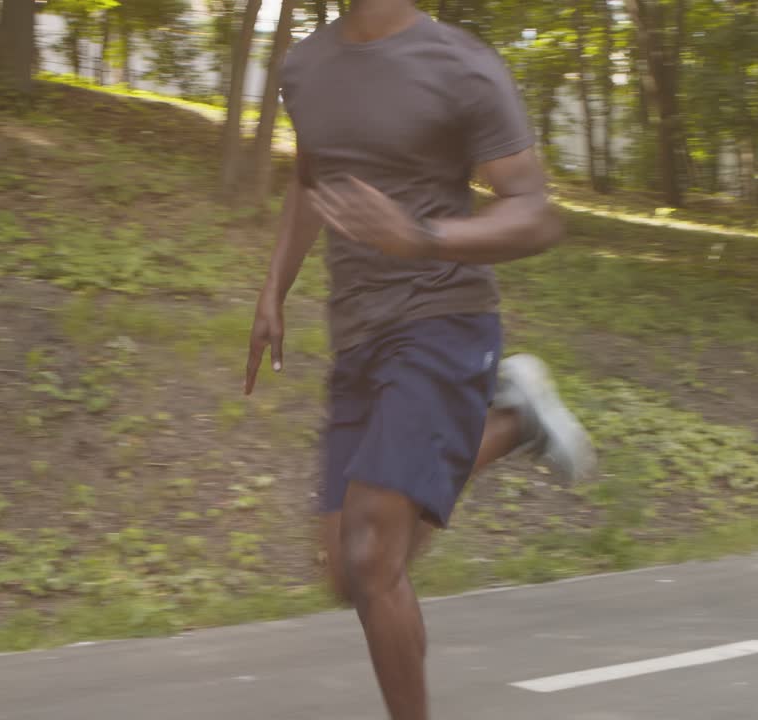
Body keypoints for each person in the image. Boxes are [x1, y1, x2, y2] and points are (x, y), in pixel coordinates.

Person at [243, 2, 599, 718]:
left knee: (373, 554)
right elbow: (312, 183)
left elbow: (535, 212)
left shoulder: (460, 65)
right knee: (347, 572)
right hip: (358, 332)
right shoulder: (305, 66)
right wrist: (273, 287)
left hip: (445, 318)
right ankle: (513, 420)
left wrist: (422, 237)